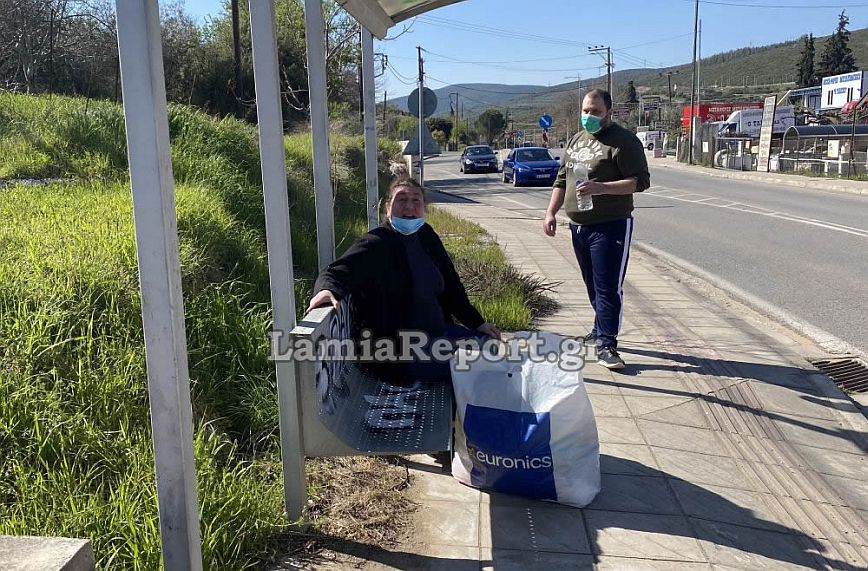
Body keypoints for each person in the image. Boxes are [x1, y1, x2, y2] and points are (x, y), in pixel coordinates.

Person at [308, 177, 501, 383]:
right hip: (399, 353)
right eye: (401, 200)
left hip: (439, 335)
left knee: (490, 346)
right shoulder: (375, 244)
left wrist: (477, 323)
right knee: (482, 367)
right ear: (388, 207)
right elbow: (337, 272)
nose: (409, 207)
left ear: (424, 207)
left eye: (416, 200)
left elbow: (452, 288)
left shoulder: (427, 236)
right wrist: (326, 290)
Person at [542, 89, 650, 370]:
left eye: (595, 112)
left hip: (611, 224)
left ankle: (607, 343)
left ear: (609, 113)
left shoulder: (624, 142)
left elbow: (639, 182)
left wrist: (602, 188)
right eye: (586, 110)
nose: (589, 116)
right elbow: (561, 180)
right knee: (592, 284)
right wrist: (550, 212)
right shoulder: (577, 140)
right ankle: (599, 327)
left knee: (607, 286)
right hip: (579, 225)